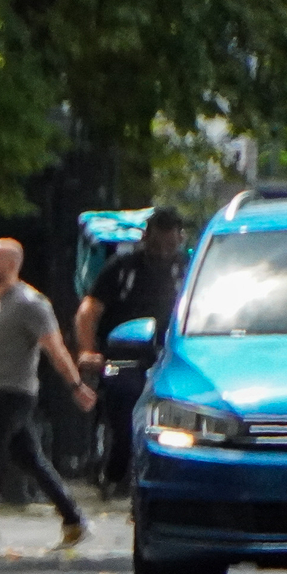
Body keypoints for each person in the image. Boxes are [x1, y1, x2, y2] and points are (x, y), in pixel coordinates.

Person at [0, 236, 94, 547]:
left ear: (13, 264)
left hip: (14, 393)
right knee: (30, 459)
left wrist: (76, 385)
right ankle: (74, 519)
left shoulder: (30, 303)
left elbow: (55, 349)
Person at [75, 207, 188, 484]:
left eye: (170, 245)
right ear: (145, 237)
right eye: (157, 244)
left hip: (176, 355)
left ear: (181, 239)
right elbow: (90, 310)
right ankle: (117, 468)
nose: (163, 252)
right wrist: (88, 350)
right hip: (125, 356)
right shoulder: (122, 268)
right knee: (124, 396)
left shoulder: (190, 270)